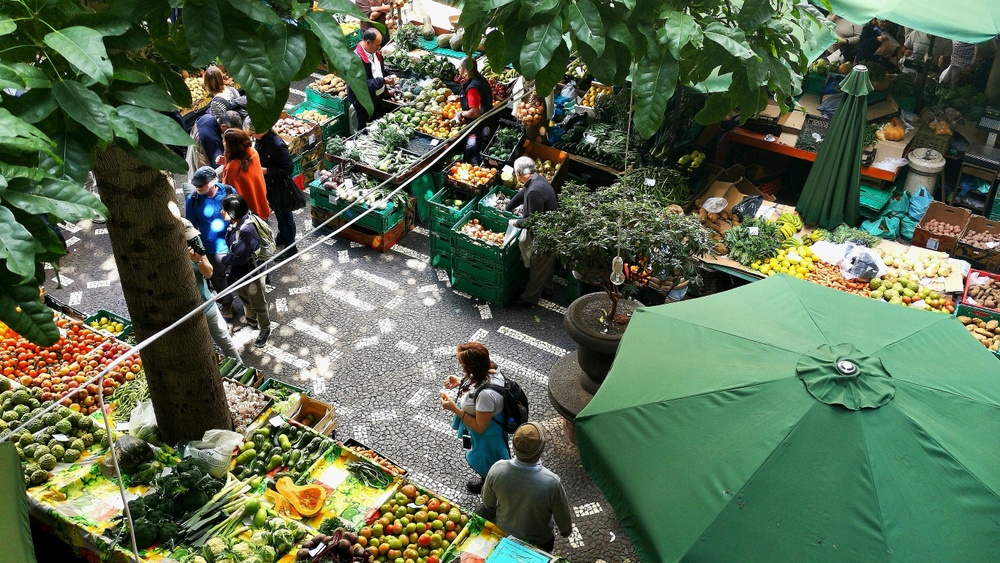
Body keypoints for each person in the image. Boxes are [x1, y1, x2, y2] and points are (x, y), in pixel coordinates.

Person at [481, 422, 573, 553]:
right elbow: (563, 517)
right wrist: (566, 530)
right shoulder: (551, 482)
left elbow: (487, 502)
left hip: (505, 533)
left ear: (513, 445)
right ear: (541, 450)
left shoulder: (497, 469)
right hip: (540, 542)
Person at [440, 342, 510, 494]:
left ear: (471, 367)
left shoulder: (485, 396)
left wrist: (454, 408)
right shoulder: (491, 369)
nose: (459, 364)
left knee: (488, 462)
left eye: (461, 363)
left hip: (488, 436)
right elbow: (477, 382)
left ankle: (489, 485)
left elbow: (479, 426)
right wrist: (460, 381)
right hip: (492, 429)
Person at [180, 218, 242, 362]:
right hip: (186, 313)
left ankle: (240, 368)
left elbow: (208, 273)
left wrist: (198, 260)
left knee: (226, 342)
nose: (192, 239)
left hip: (207, 303)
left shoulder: (194, 242)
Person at [185, 166, 237, 319]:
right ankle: (226, 303)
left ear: (213, 181)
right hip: (212, 248)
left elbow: (238, 210)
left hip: (233, 241)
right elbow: (191, 226)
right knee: (218, 277)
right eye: (196, 184)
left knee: (238, 270)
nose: (198, 187)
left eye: (201, 184)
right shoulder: (193, 200)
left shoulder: (227, 190)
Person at [506, 156, 558, 306]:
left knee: (538, 266)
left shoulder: (535, 190)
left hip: (547, 233)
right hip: (551, 229)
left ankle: (529, 298)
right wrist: (508, 207)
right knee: (546, 264)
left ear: (518, 173)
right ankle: (547, 289)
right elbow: (523, 193)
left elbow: (535, 220)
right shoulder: (536, 180)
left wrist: (516, 222)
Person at [221, 194, 272, 348]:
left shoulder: (247, 231)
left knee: (258, 303)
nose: (221, 212)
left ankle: (265, 328)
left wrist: (224, 260)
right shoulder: (234, 224)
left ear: (232, 213)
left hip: (252, 273)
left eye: (223, 210)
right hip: (240, 273)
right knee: (244, 298)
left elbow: (240, 257)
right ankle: (252, 322)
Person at [257, 127, 301, 253]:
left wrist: (267, 171)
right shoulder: (260, 141)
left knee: (286, 216)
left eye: (252, 132)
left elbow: (288, 169)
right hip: (270, 185)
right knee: (279, 214)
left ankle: (291, 247)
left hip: (280, 186)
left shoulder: (277, 144)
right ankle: (282, 236)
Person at [347, 28, 395, 131]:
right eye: (377, 45)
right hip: (363, 103)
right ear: (368, 42)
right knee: (364, 129)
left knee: (377, 125)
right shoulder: (355, 61)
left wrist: (387, 74)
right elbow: (362, 86)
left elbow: (378, 70)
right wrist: (383, 81)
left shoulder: (374, 53)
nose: (379, 47)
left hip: (376, 97)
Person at [218, 128, 271, 220]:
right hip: (259, 199)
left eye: (224, 141)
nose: (223, 143)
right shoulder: (253, 153)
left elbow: (227, 189)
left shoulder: (232, 167)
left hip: (247, 210)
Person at [187, 111, 243, 182]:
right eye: (232, 131)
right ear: (223, 126)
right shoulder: (211, 139)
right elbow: (218, 171)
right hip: (201, 179)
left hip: (191, 165)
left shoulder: (207, 117)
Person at [457, 57, 493, 164]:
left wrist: (461, 113)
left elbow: (474, 112)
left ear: (466, 71)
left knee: (473, 158)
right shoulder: (481, 79)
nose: (458, 70)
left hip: (478, 128)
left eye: (460, 68)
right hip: (488, 122)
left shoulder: (472, 88)